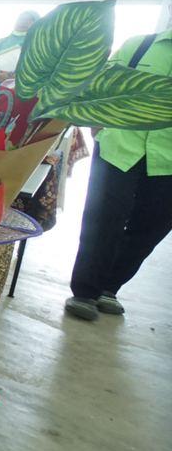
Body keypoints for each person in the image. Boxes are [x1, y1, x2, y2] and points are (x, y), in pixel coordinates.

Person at [65, 28, 172, 321]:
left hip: (168, 158)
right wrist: (95, 119)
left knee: (153, 225)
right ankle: (85, 291)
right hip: (120, 144)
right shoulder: (140, 45)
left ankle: (109, 285)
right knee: (104, 219)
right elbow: (103, 81)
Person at [0, 10, 39, 82]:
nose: (23, 22)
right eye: (21, 19)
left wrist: (15, 75)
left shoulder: (39, 45)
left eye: (29, 20)